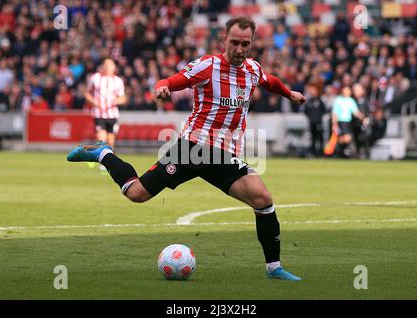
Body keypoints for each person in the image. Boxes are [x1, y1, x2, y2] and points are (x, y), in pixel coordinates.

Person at [67, 16, 306, 281]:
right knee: (136, 194)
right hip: (193, 150)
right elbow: (173, 80)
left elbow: (268, 80)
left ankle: (274, 269)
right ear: (224, 40)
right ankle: (103, 153)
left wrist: (290, 93)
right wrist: (162, 89)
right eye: (235, 42)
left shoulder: (252, 69)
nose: (239, 49)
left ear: (251, 43)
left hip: (223, 156)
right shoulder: (208, 65)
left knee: (263, 199)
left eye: (245, 44)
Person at [84, 59, 127, 150]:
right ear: (103, 67)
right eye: (106, 65)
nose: (108, 68)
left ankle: (107, 161)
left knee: (111, 142)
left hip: (112, 114)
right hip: (99, 113)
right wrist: (94, 101)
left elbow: (123, 98)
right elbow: (86, 92)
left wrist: (114, 101)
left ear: (114, 67)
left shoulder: (118, 81)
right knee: (102, 140)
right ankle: (102, 163)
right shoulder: (95, 78)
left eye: (110, 65)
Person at [331, 86, 368, 158]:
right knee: (347, 138)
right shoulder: (338, 100)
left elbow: (355, 112)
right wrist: (334, 124)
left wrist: (362, 117)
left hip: (348, 123)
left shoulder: (351, 100)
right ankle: (338, 148)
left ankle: (339, 149)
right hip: (341, 122)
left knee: (347, 138)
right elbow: (335, 113)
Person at [302, 84, 326, 157]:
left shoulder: (320, 101)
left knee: (320, 138)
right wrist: (310, 117)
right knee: (313, 138)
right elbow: (305, 111)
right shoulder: (309, 101)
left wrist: (319, 117)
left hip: (319, 122)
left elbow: (323, 110)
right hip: (311, 123)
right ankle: (313, 153)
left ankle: (321, 153)